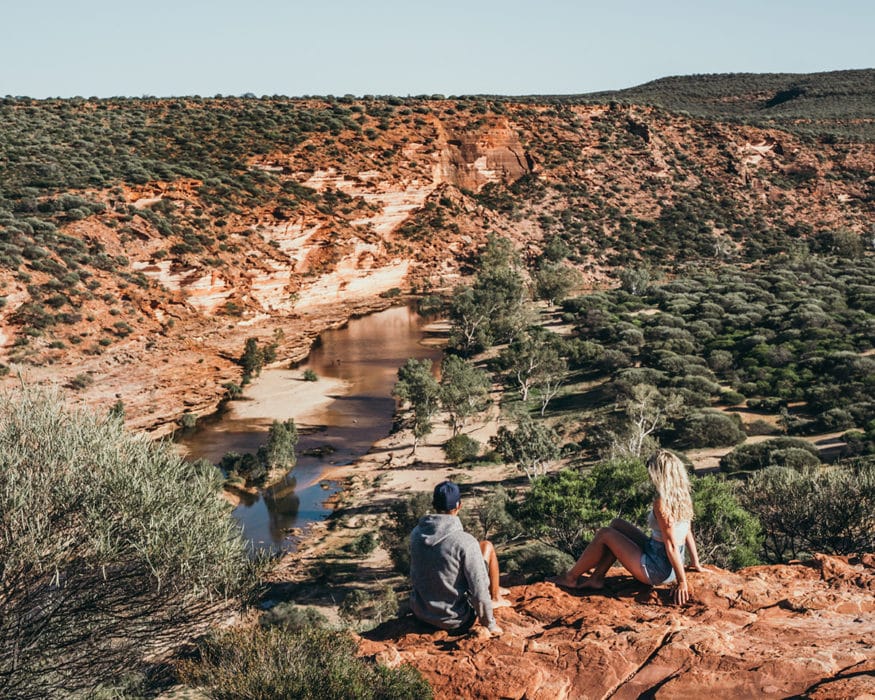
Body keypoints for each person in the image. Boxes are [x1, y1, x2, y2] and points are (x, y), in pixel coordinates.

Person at [550, 450, 703, 605]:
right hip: (664, 559)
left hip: (656, 570)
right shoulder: (683, 495)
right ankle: (597, 578)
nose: (649, 476)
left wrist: (682, 582)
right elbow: (687, 531)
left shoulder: (662, 502)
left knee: (605, 534)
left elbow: (671, 545)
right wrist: (695, 563)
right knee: (616, 524)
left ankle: (570, 578)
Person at [410, 481, 508, 636]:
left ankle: (496, 593)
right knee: (487, 547)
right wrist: (490, 625)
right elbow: (479, 590)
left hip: (421, 615)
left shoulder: (416, 533)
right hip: (455, 621)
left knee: (481, 547)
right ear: (459, 506)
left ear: (434, 504)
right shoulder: (465, 542)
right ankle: (496, 598)